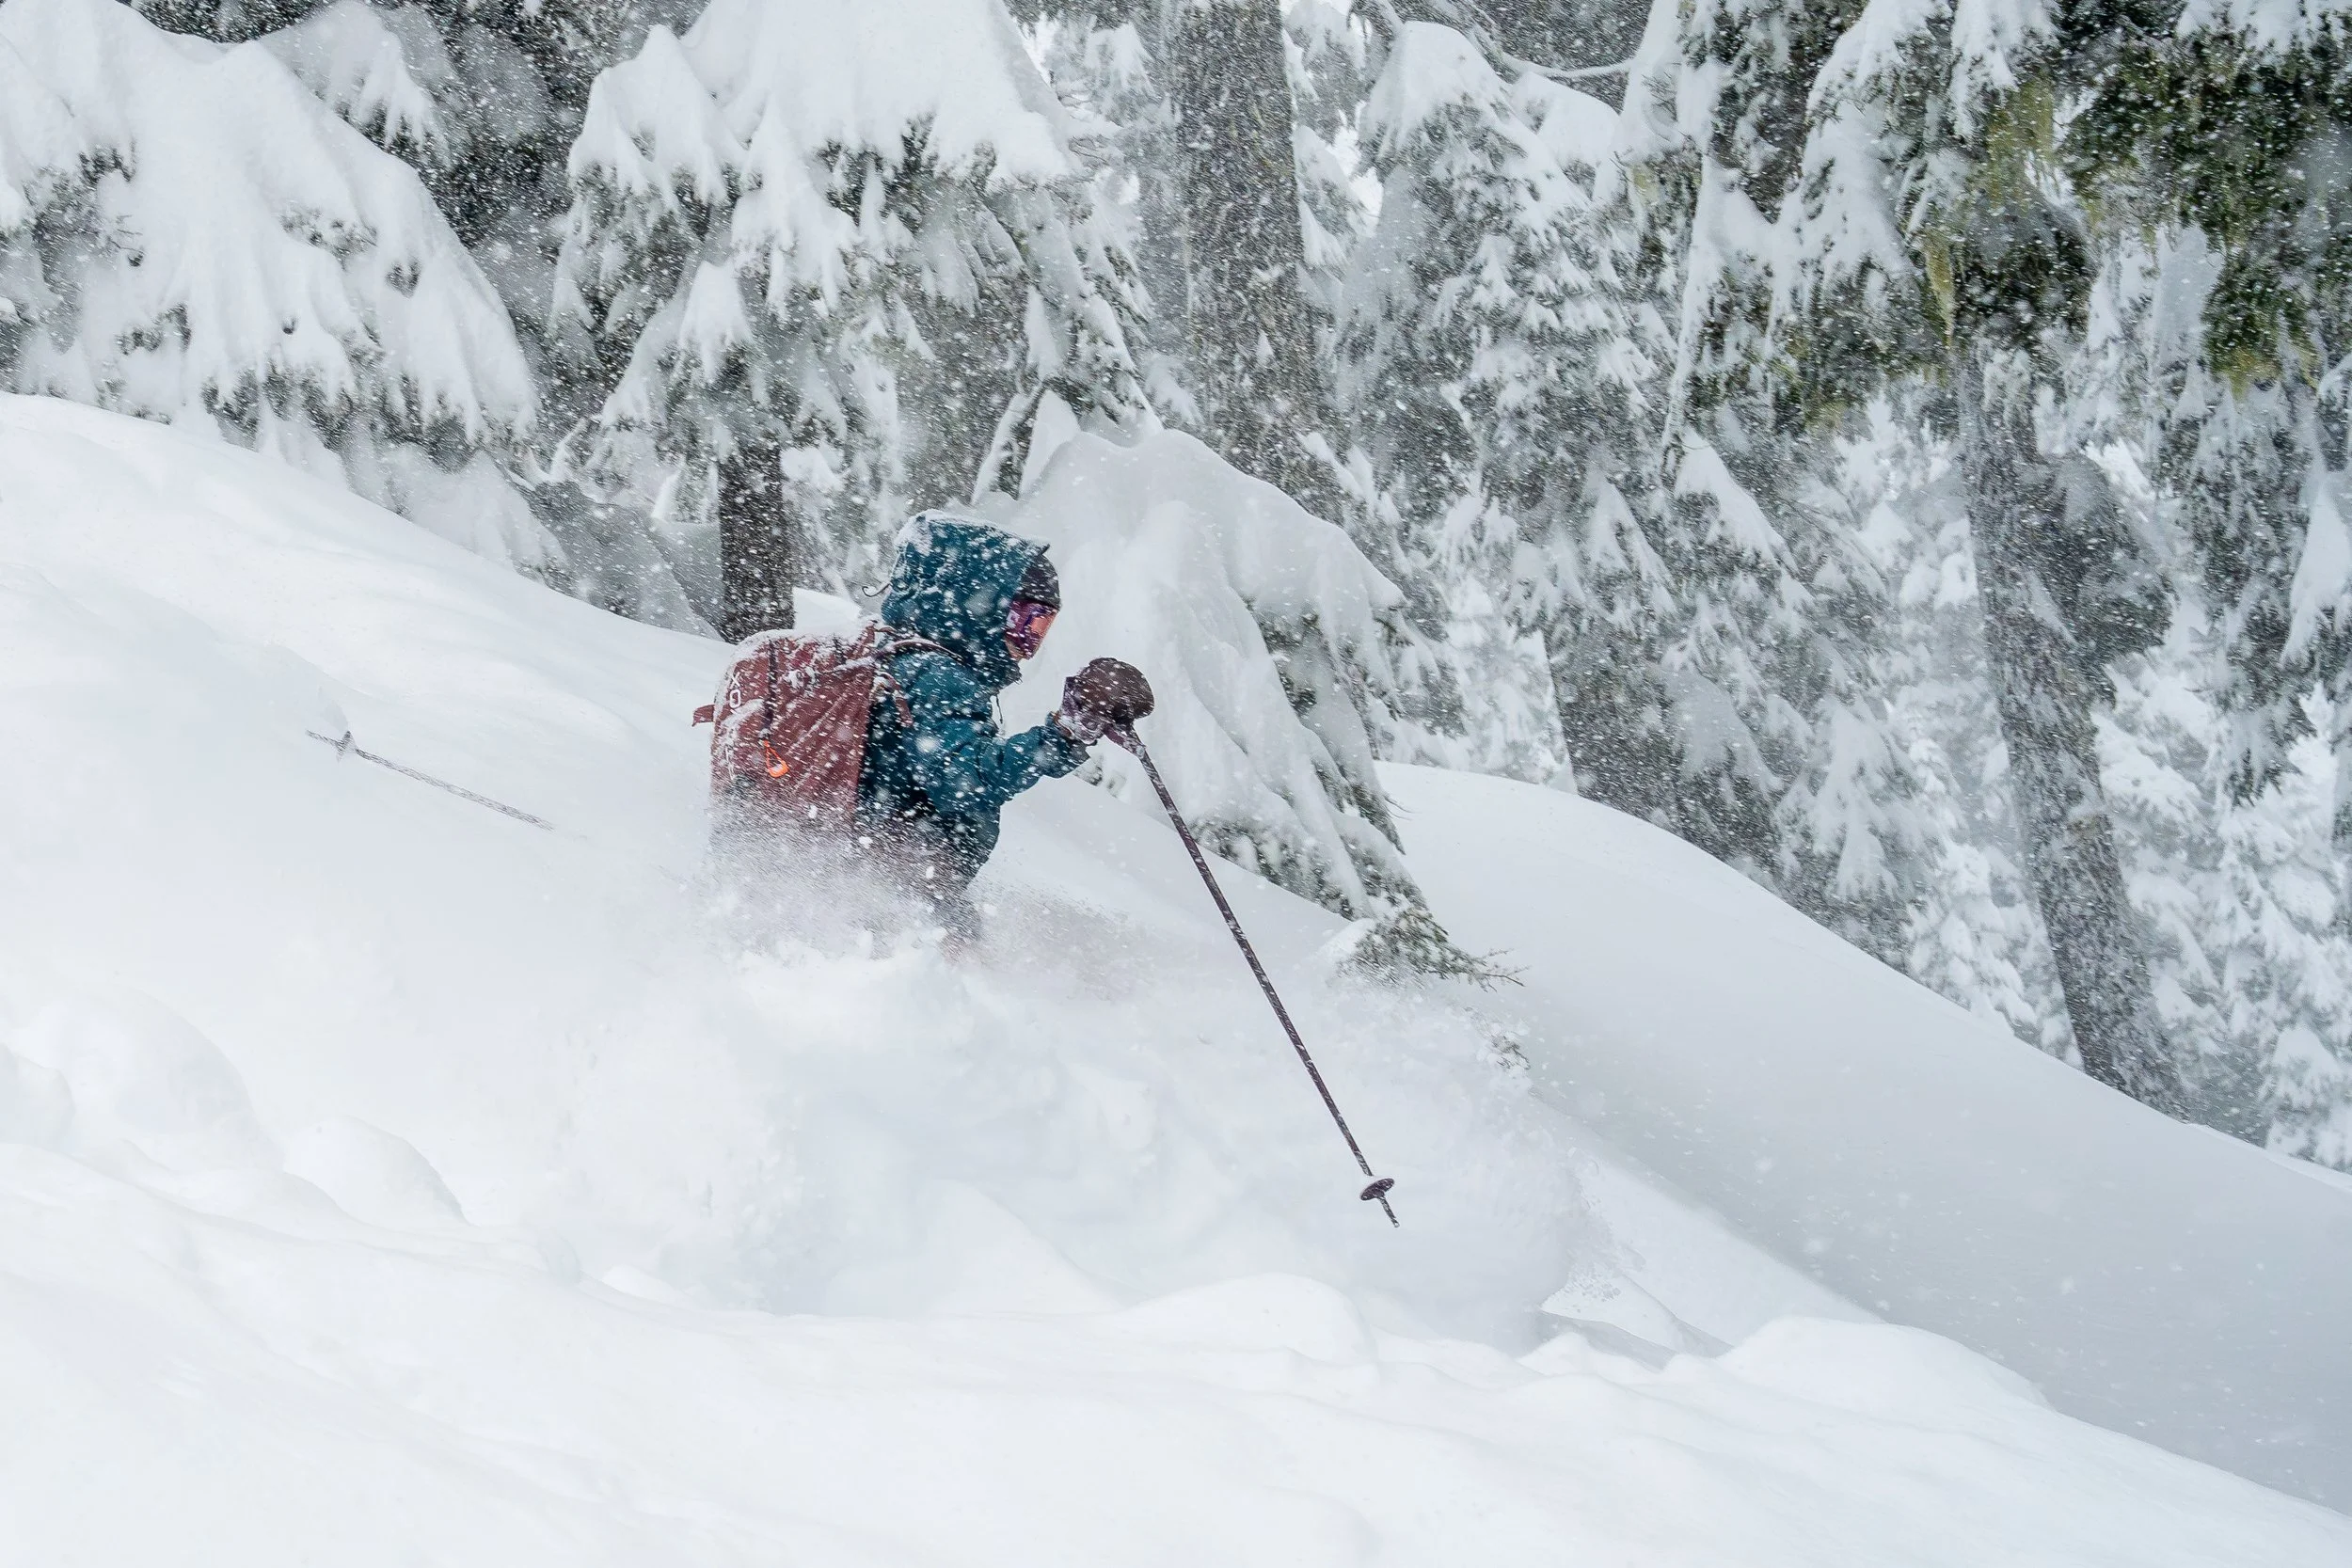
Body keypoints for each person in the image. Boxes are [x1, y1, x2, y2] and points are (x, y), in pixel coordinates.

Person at [854, 514, 1152, 939]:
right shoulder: (937, 675)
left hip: (879, 873)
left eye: (1042, 627)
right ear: (978, 602)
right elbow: (967, 781)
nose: (1029, 642)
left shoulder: (896, 657)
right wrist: (1065, 731)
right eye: (1024, 619)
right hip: (892, 893)